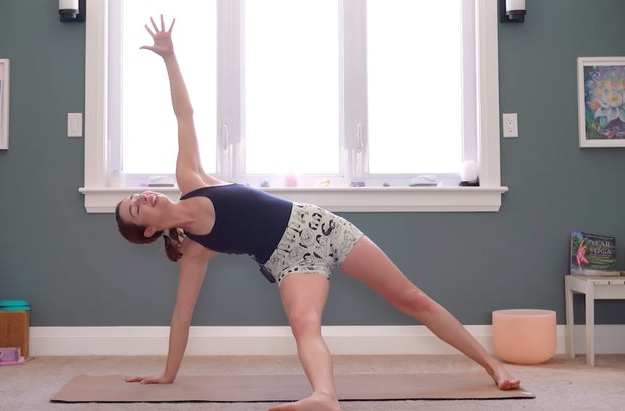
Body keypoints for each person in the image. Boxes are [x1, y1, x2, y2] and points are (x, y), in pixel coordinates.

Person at [115, 15, 520, 411]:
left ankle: (492, 365)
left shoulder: (191, 177)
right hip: (291, 261)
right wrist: (167, 375)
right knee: (303, 323)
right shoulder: (195, 250)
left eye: (138, 196)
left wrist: (169, 58)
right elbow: (181, 317)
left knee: (413, 299)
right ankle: (324, 396)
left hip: (319, 226)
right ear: (148, 231)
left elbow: (183, 114)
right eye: (136, 208)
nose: (144, 197)